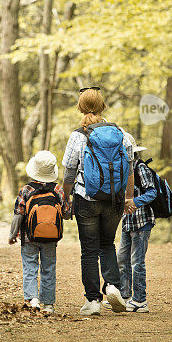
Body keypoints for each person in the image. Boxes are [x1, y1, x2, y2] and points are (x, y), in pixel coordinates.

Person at [62, 87, 133, 316]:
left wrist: (66, 199)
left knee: (89, 250)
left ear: (80, 108)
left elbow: (69, 172)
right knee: (108, 244)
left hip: (86, 199)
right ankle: (113, 286)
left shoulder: (78, 135)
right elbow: (130, 167)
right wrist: (128, 197)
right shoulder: (121, 133)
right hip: (114, 200)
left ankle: (93, 300)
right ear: (104, 106)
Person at [9, 150, 70, 314]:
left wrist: (12, 234)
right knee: (48, 269)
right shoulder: (58, 189)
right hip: (51, 238)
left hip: (29, 237)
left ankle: (33, 299)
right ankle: (48, 304)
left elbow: (18, 214)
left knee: (30, 267)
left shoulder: (26, 190)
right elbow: (65, 213)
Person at [114, 135, 155, 313]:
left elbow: (152, 192)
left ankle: (140, 300)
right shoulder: (123, 171)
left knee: (137, 263)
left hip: (142, 222)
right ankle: (125, 296)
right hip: (127, 223)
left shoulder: (141, 168)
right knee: (122, 260)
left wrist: (135, 202)